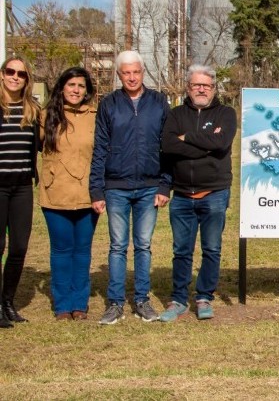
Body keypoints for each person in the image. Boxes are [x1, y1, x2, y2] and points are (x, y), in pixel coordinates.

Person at [90, 51, 171, 325]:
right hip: (116, 187)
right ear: (119, 74)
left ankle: (141, 300)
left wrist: (165, 185)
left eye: (136, 72)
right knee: (117, 246)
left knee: (144, 246)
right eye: (126, 73)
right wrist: (97, 190)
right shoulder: (109, 104)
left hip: (150, 186)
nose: (132, 77)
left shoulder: (159, 102)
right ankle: (114, 303)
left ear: (143, 72)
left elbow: (168, 147)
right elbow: (100, 147)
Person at [159, 65, 237, 322]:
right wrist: (204, 143)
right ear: (188, 88)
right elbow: (168, 146)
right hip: (182, 195)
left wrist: (187, 138)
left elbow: (221, 143)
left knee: (211, 249)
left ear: (214, 88)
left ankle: (204, 296)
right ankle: (178, 299)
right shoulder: (176, 114)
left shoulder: (226, 113)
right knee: (181, 250)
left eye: (207, 85)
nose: (201, 89)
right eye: (196, 85)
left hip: (214, 193)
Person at [40, 67, 100, 321]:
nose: (76, 90)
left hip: (88, 194)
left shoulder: (96, 115)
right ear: (62, 87)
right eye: (71, 85)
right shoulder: (46, 115)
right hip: (56, 194)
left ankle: (80, 303)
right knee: (62, 250)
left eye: (81, 86)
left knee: (83, 250)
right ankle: (63, 304)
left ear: (87, 91)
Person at [0, 57, 40, 328]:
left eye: (21, 74)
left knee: (18, 247)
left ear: (27, 80)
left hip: (22, 186)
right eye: (10, 71)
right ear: (2, 75)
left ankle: (7, 302)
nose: (15, 77)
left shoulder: (32, 110)